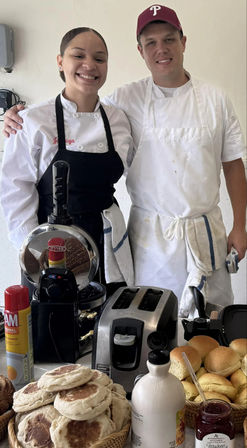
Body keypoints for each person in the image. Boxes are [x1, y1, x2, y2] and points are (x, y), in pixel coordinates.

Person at [2, 5, 247, 317]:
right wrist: (18, 116)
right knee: (151, 325)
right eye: (151, 43)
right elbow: (77, 107)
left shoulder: (215, 100)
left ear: (183, 42)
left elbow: (233, 162)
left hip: (203, 233)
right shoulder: (125, 100)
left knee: (212, 322)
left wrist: (240, 226)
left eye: (169, 40)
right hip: (149, 240)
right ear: (140, 50)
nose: (162, 49)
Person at [0, 27, 134, 296]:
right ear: (60, 62)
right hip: (51, 248)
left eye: (99, 58)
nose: (89, 65)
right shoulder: (33, 121)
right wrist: (35, 252)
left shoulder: (119, 120)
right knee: (52, 329)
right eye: (78, 55)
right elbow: (15, 191)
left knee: (108, 325)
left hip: (107, 242)